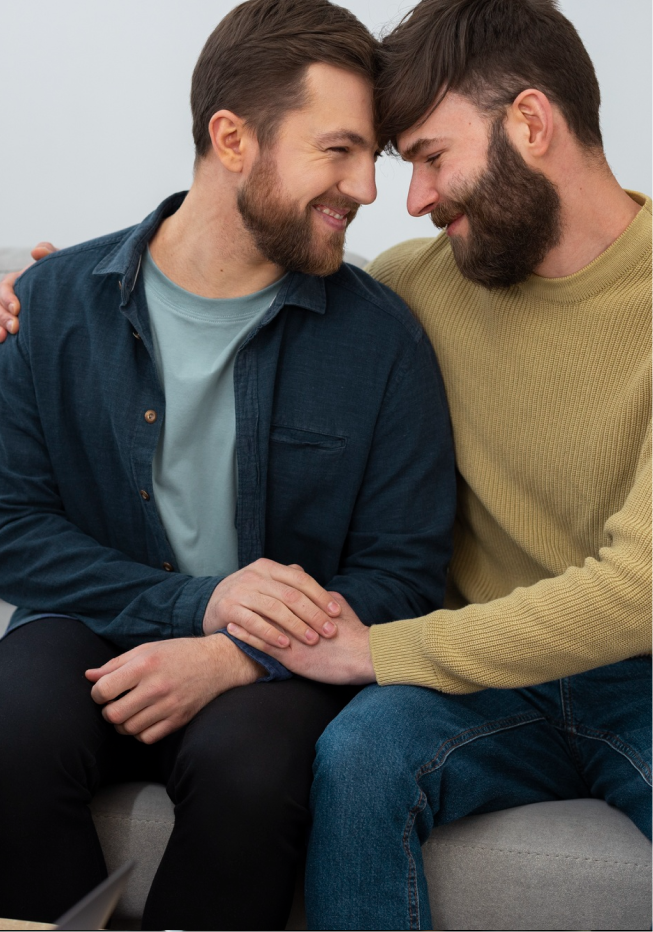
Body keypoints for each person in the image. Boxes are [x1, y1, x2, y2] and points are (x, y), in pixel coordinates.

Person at [142, 0, 652, 928]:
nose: (409, 200)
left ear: (531, 125)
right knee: (361, 756)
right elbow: (228, 283)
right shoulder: (415, 285)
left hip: (642, 666)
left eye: (428, 157)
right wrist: (57, 296)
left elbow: (640, 587)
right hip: (481, 680)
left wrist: (376, 649)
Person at [0, 1, 456, 928]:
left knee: (252, 767)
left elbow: (403, 573)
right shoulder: (48, 306)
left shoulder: (382, 341)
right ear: (233, 138)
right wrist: (194, 603)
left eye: (375, 156)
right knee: (10, 726)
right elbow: (12, 527)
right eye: (338, 150)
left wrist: (239, 648)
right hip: (97, 617)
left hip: (277, 671)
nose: (366, 187)